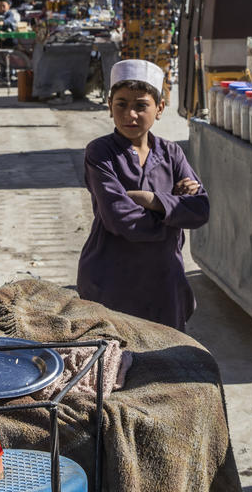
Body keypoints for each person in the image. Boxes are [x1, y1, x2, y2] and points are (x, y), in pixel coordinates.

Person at [76, 59, 209, 331]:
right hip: (111, 278)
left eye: (141, 105)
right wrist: (172, 207)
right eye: (121, 104)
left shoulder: (171, 153)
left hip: (164, 282)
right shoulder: (100, 153)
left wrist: (149, 199)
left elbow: (200, 209)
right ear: (110, 105)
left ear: (159, 108)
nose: (130, 115)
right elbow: (119, 219)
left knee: (166, 359)